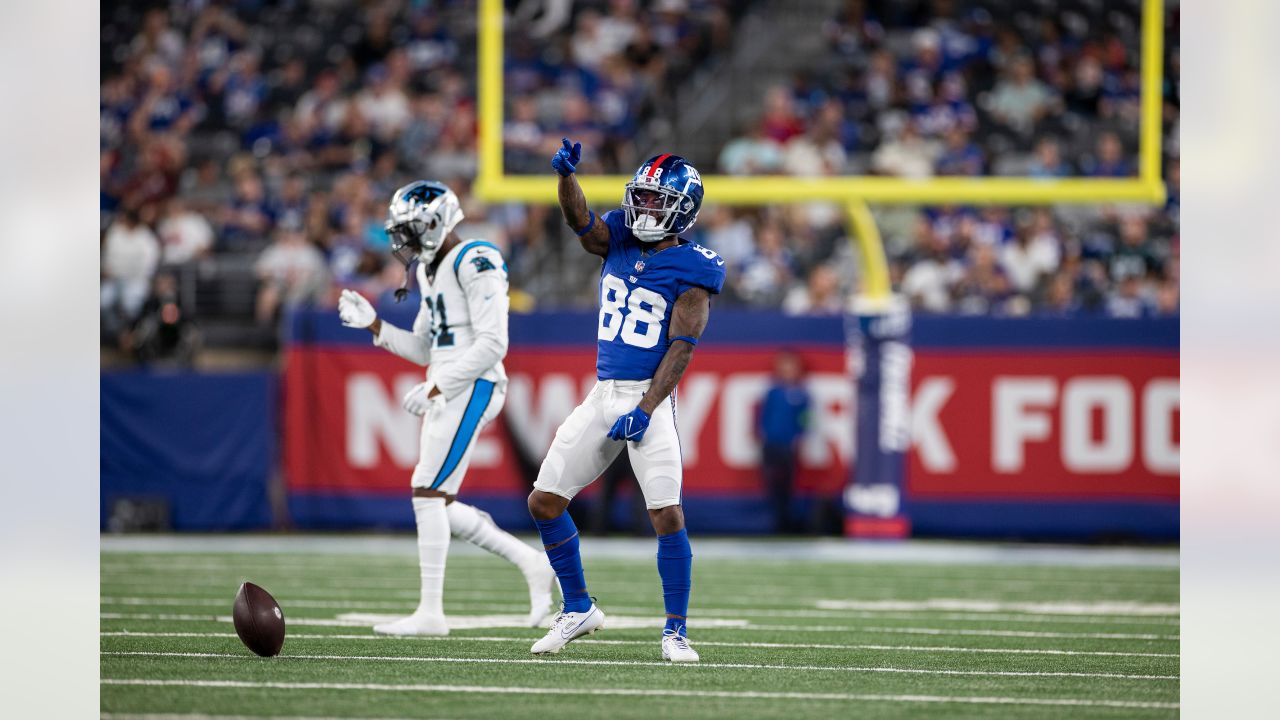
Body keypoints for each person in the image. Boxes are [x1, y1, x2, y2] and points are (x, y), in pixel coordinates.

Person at [526, 139, 725, 662]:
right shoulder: (617, 238)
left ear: (683, 209)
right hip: (603, 392)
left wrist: (647, 408)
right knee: (544, 502)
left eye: (657, 201)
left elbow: (681, 348)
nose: (644, 208)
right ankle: (578, 607)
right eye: (642, 196)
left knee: (666, 515)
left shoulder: (694, 268)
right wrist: (567, 177)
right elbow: (580, 221)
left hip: (648, 397)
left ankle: (676, 630)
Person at [337, 181, 556, 636]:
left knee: (427, 492)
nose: (405, 240)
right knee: (439, 500)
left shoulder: (477, 259)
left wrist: (438, 387)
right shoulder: (427, 270)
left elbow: (494, 343)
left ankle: (432, 614)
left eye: (412, 228)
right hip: (452, 383)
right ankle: (532, 563)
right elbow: (424, 347)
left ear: (437, 223)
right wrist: (375, 325)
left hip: (473, 383)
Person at [757, 351, 810, 533]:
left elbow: (805, 419)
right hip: (771, 444)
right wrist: (762, 434)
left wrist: (800, 436)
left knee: (787, 483)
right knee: (772, 482)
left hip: (788, 445)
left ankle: (787, 521)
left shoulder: (802, 394)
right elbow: (764, 415)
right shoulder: (773, 392)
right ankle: (775, 519)